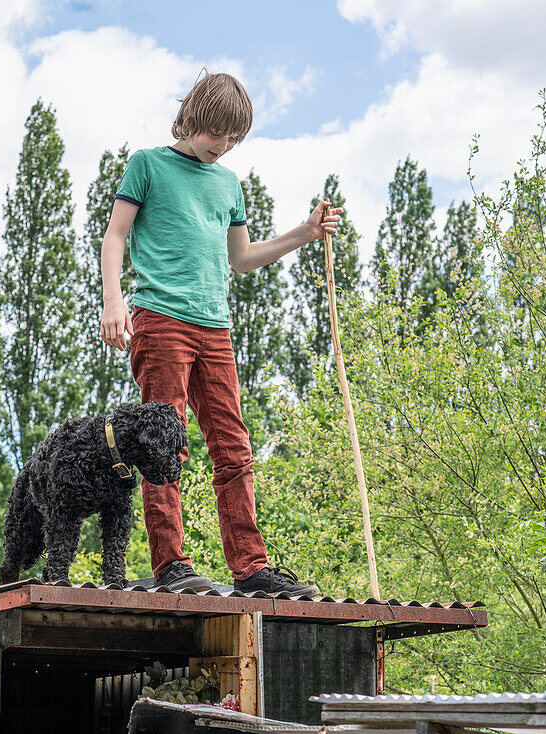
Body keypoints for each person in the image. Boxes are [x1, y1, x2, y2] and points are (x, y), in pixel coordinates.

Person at [100, 71, 341, 595]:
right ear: (192, 119)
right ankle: (171, 566)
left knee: (233, 445)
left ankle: (251, 568)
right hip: (161, 320)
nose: (223, 146)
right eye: (216, 134)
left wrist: (304, 232)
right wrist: (114, 301)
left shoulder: (229, 184)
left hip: (216, 329)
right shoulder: (148, 165)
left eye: (234, 138)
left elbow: (243, 259)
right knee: (167, 445)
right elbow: (116, 234)